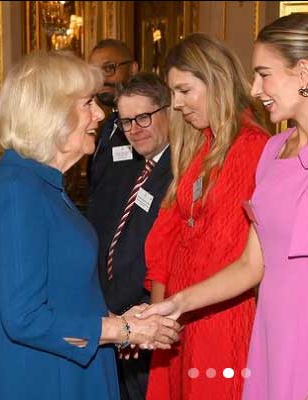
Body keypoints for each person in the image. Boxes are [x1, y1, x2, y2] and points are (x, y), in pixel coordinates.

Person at [139, 14, 308, 400]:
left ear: (303, 73)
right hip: (268, 343)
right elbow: (252, 265)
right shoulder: (272, 151)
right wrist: (177, 304)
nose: (254, 88)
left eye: (263, 74)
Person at [0, 51, 179, 400]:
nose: (100, 115)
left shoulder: (42, 185)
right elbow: (24, 317)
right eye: (88, 103)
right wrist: (121, 329)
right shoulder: (18, 191)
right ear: (51, 112)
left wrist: (119, 319)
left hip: (65, 369)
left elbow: (63, 292)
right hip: (42, 380)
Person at [142, 34, 270, 400]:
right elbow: (171, 238)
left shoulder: (252, 147)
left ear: (215, 80)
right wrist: (162, 311)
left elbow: (234, 253)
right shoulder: (202, 146)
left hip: (220, 314)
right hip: (183, 312)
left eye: (184, 91)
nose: (177, 104)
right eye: (173, 93)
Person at [86, 73, 173, 400]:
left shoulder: (179, 169)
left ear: (168, 111)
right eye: (126, 121)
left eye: (143, 118)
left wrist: (137, 315)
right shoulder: (130, 167)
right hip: (118, 318)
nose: (134, 129)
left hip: (146, 315)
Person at [87, 39, 140, 193]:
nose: (101, 79)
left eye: (109, 68)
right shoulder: (108, 123)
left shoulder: (147, 124)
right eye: (94, 72)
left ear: (133, 69)